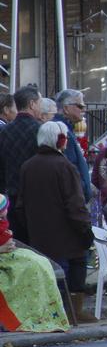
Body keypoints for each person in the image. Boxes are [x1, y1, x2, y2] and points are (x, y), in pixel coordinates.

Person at [19, 121, 96, 324]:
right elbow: (75, 204)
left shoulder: (28, 166)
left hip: (38, 235)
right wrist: (85, 230)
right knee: (78, 265)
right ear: (60, 140)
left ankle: (53, 312)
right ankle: (73, 311)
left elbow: (20, 205)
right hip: (67, 236)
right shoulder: (64, 166)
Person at [0, 194, 72, 333]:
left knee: (39, 263)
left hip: (9, 257)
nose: (4, 218)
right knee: (27, 269)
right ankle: (19, 318)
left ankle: (42, 314)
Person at [0, 86, 43, 243]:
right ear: (32, 104)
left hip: (12, 197)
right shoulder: (40, 130)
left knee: (19, 242)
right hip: (36, 198)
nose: (41, 107)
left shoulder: (5, 131)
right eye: (39, 103)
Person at [54, 90, 93, 204]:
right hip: (71, 199)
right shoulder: (61, 130)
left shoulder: (67, 128)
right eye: (80, 106)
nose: (84, 110)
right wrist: (82, 188)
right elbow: (68, 166)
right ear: (66, 108)